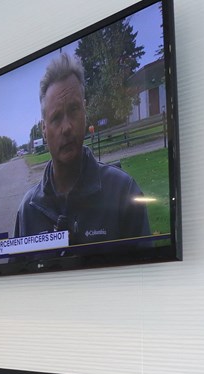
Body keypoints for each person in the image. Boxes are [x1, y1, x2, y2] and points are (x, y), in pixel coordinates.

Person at [14, 52, 150, 250]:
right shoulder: (28, 211)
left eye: (74, 110)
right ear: (44, 129)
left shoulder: (123, 193)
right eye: (56, 117)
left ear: (85, 112)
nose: (67, 127)